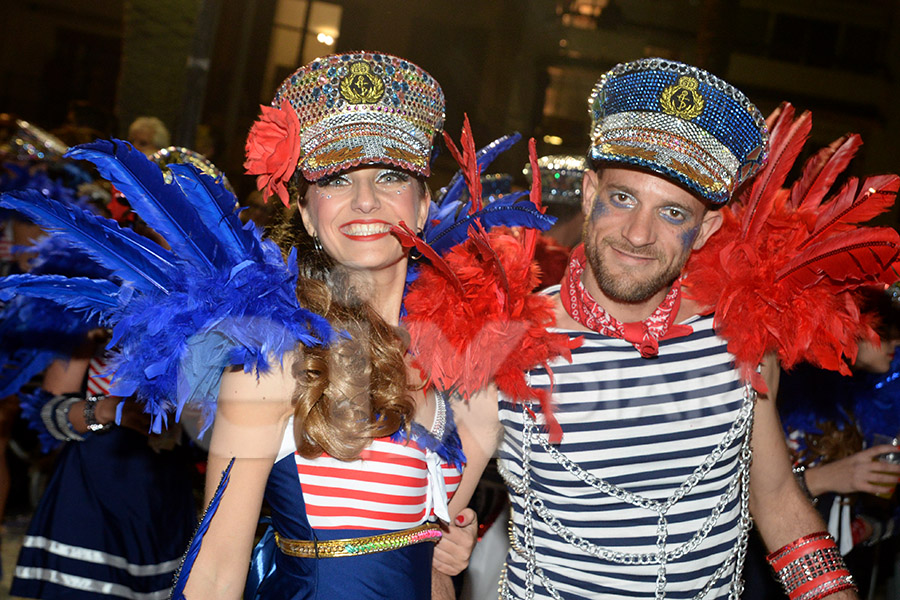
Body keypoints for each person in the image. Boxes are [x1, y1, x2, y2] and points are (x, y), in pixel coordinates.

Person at [444, 58, 896, 599]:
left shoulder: (738, 333)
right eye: (623, 197)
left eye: (673, 214)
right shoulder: (505, 342)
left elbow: (776, 500)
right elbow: (426, 540)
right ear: (590, 192)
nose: (638, 234)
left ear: (705, 228)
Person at [174, 51, 479, 599]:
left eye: (390, 176)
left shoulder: (444, 357)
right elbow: (216, 569)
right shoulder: (273, 364)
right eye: (337, 180)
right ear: (310, 214)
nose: (365, 200)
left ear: (425, 204)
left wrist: (446, 543)